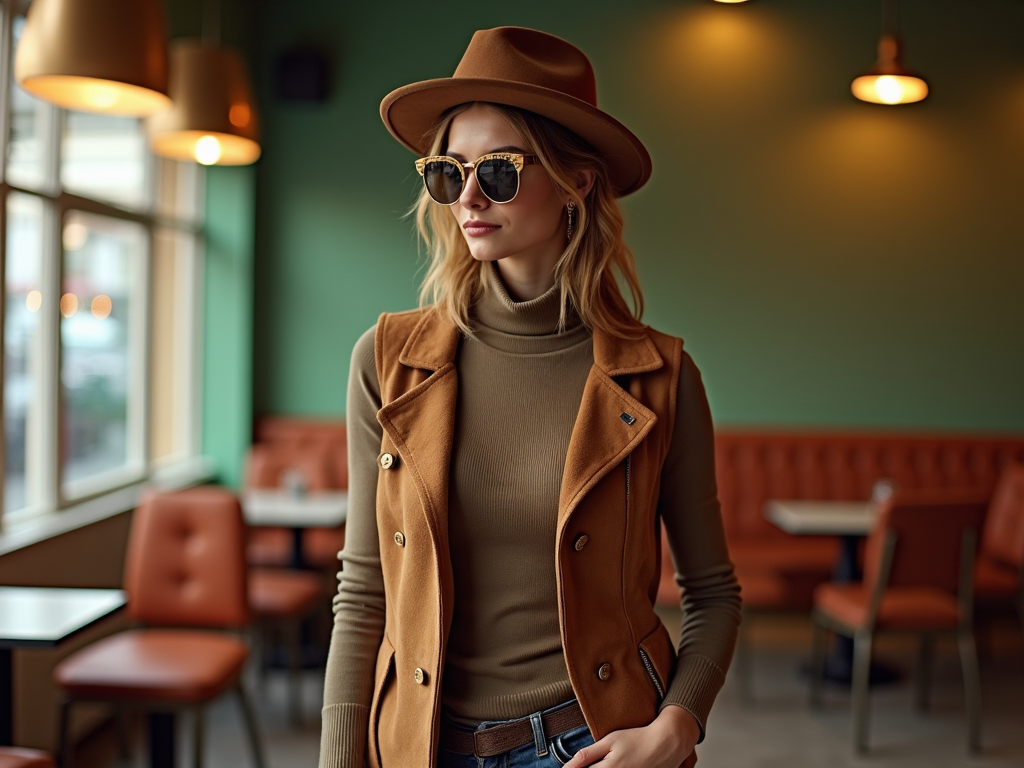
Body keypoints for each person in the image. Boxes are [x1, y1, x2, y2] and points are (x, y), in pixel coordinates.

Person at [320, 26, 741, 768]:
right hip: (419, 743)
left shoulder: (661, 375)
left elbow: (712, 594)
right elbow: (363, 594)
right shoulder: (385, 362)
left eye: (502, 171)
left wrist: (677, 725)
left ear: (576, 180)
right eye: (448, 172)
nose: (469, 197)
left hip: (596, 741)